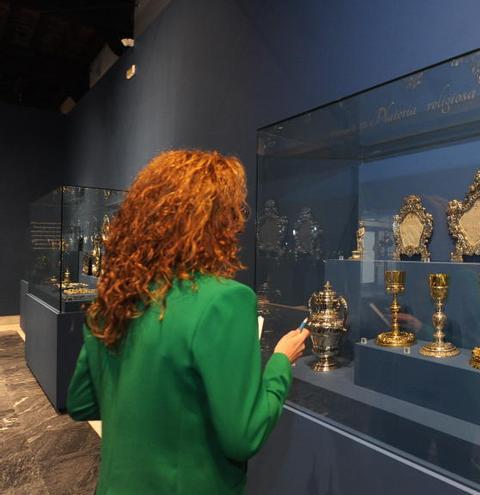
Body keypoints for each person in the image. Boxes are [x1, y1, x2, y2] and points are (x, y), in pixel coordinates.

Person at [66, 150, 310, 494]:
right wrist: (281, 362)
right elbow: (245, 435)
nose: (238, 222)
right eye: (233, 211)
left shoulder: (115, 297)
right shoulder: (225, 300)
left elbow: (82, 403)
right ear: (214, 222)